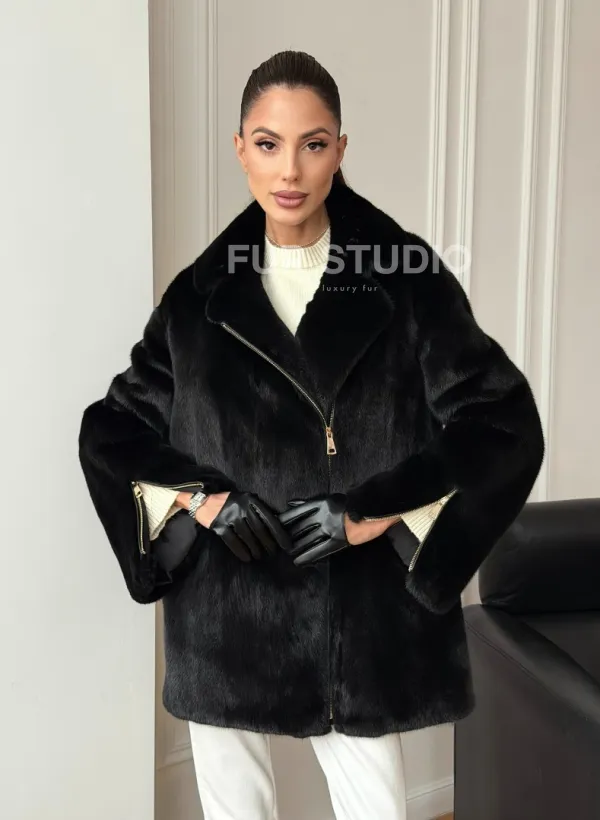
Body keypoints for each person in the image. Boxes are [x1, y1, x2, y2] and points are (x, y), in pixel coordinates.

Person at [78, 49, 545, 820]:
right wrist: (202, 501)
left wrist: (374, 512)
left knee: (376, 807)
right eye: (268, 143)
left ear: (340, 149)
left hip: (354, 614)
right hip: (225, 608)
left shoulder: (406, 278)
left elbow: (502, 422)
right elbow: (112, 428)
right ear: (241, 149)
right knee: (236, 809)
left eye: (313, 143)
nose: (289, 169)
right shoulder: (197, 299)